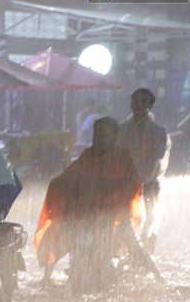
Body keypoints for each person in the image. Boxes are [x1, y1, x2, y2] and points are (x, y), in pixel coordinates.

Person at [35, 116, 146, 284]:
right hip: (84, 212)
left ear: (114, 136)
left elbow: (134, 182)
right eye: (98, 132)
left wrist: (110, 191)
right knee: (58, 231)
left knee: (133, 242)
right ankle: (46, 276)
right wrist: (57, 182)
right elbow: (69, 175)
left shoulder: (122, 156)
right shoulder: (88, 155)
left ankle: (153, 277)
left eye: (105, 133)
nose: (100, 137)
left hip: (112, 214)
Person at [117, 88, 171, 253]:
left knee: (150, 218)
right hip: (124, 181)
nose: (138, 104)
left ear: (150, 105)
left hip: (149, 181)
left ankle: (147, 254)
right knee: (123, 217)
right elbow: (116, 153)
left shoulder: (158, 131)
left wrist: (142, 176)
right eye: (135, 100)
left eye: (143, 101)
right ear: (131, 103)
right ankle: (126, 252)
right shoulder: (121, 129)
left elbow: (157, 157)